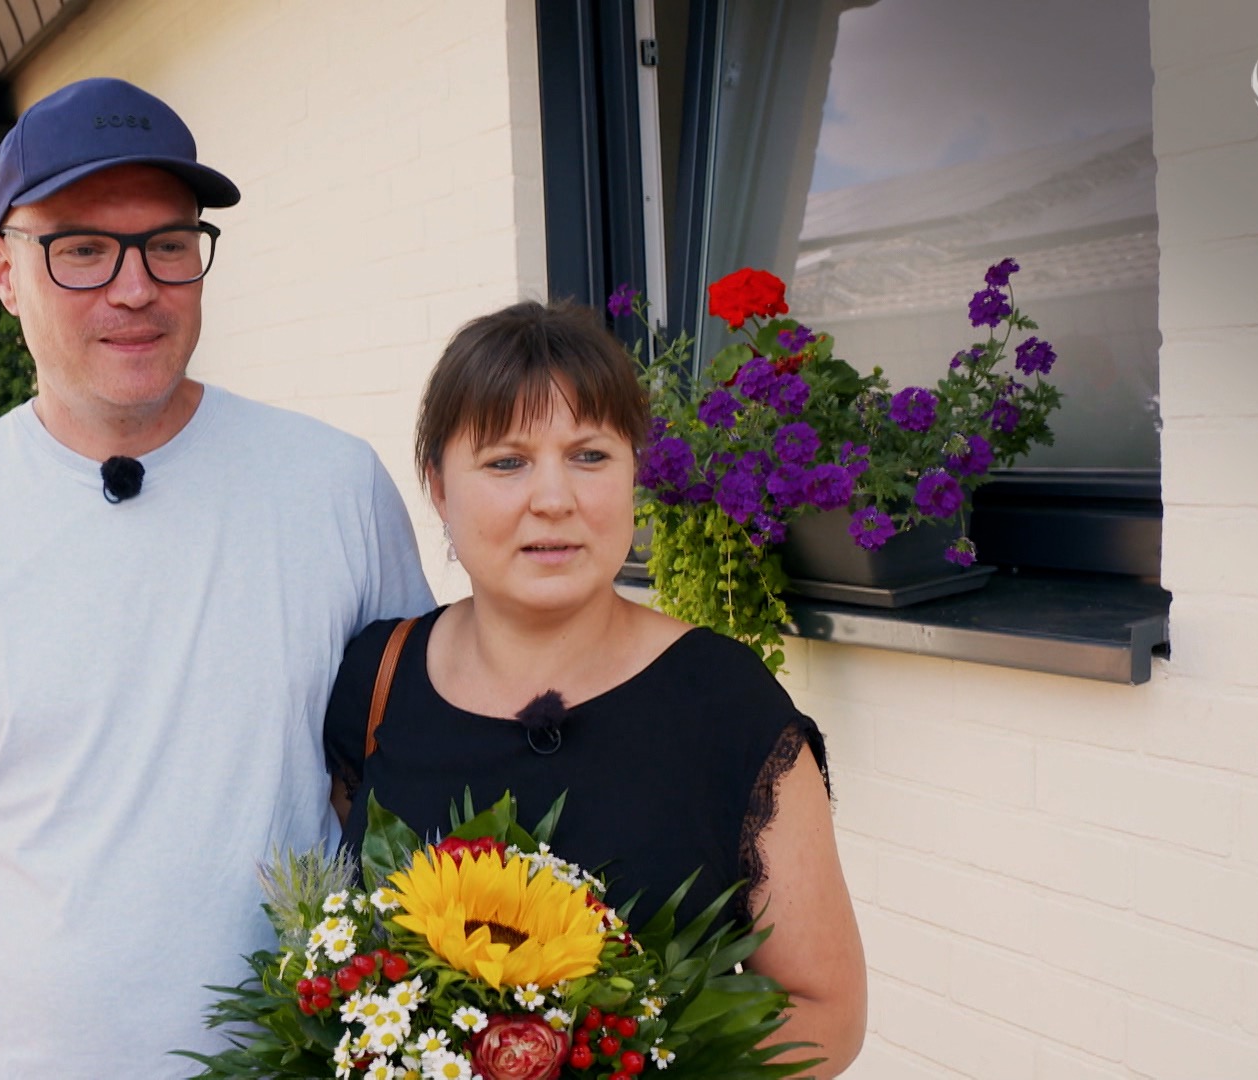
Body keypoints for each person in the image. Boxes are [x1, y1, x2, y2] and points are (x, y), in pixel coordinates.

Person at [0, 77, 434, 1078]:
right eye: (81, 249)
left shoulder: (335, 488)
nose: (135, 286)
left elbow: (409, 788)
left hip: (287, 1062)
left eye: (167, 242)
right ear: (3, 269)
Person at [323, 301, 866, 1074]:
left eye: (589, 455)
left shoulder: (723, 700)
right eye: (506, 461)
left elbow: (826, 1009)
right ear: (439, 488)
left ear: (634, 472)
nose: (554, 499)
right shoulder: (377, 680)